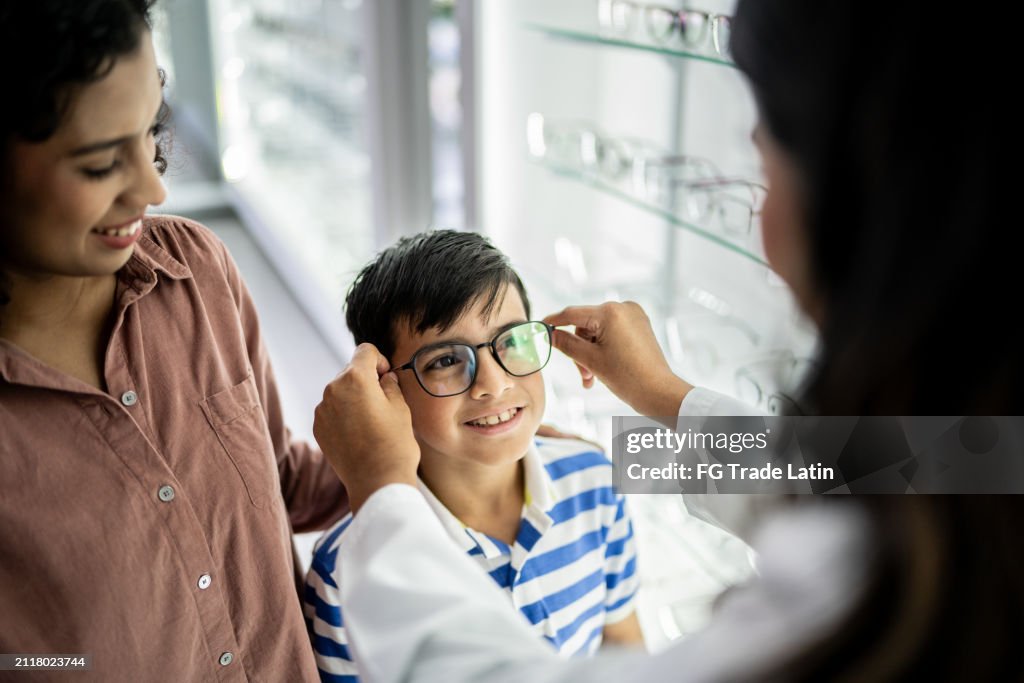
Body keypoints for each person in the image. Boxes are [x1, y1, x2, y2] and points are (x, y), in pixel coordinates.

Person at [310, 0, 1023, 681]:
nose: (763, 222)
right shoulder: (982, 459)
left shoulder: (601, 489)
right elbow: (877, 472)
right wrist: (659, 406)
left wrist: (382, 491)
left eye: (766, 166)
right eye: (446, 360)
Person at [0, 1, 346, 678]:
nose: (155, 188)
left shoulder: (198, 272)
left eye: (152, 128)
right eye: (102, 163)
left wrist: (449, 433)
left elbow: (279, 481)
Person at [303, 231, 643, 681]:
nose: (495, 384)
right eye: (445, 360)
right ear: (384, 386)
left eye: (511, 340)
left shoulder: (595, 481)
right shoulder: (346, 568)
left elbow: (623, 644)